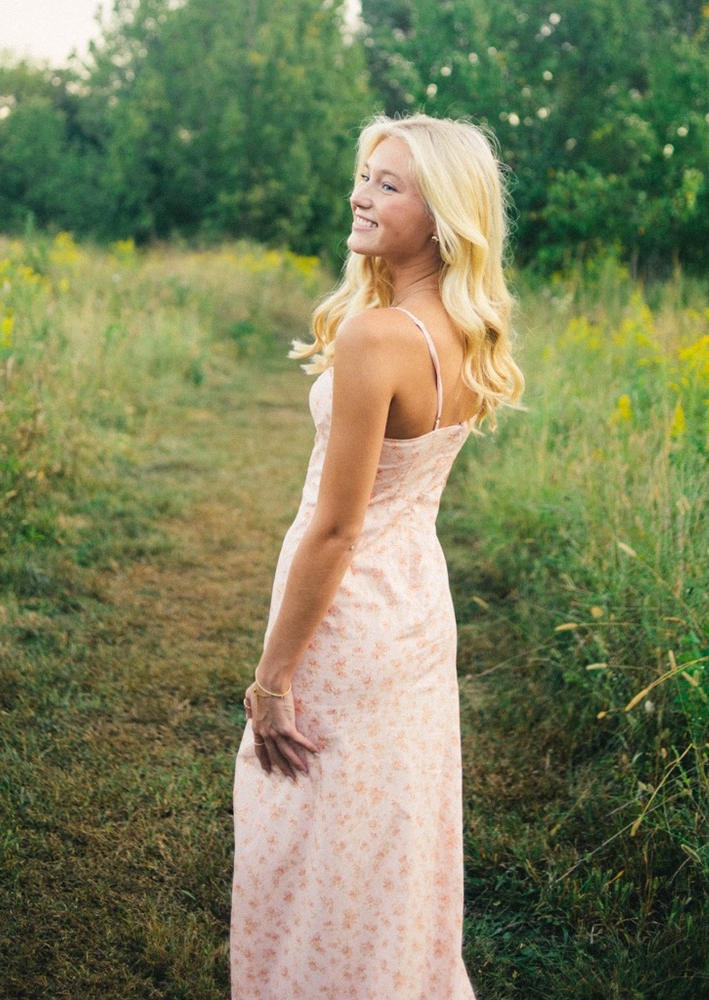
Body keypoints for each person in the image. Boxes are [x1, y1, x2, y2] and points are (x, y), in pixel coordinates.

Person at [230, 113, 524, 1000]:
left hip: (351, 620)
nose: (360, 196)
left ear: (442, 218)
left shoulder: (379, 337)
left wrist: (273, 679)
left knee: (310, 840)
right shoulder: (465, 330)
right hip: (418, 614)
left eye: (388, 185)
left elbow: (336, 530)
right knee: (388, 849)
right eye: (365, 176)